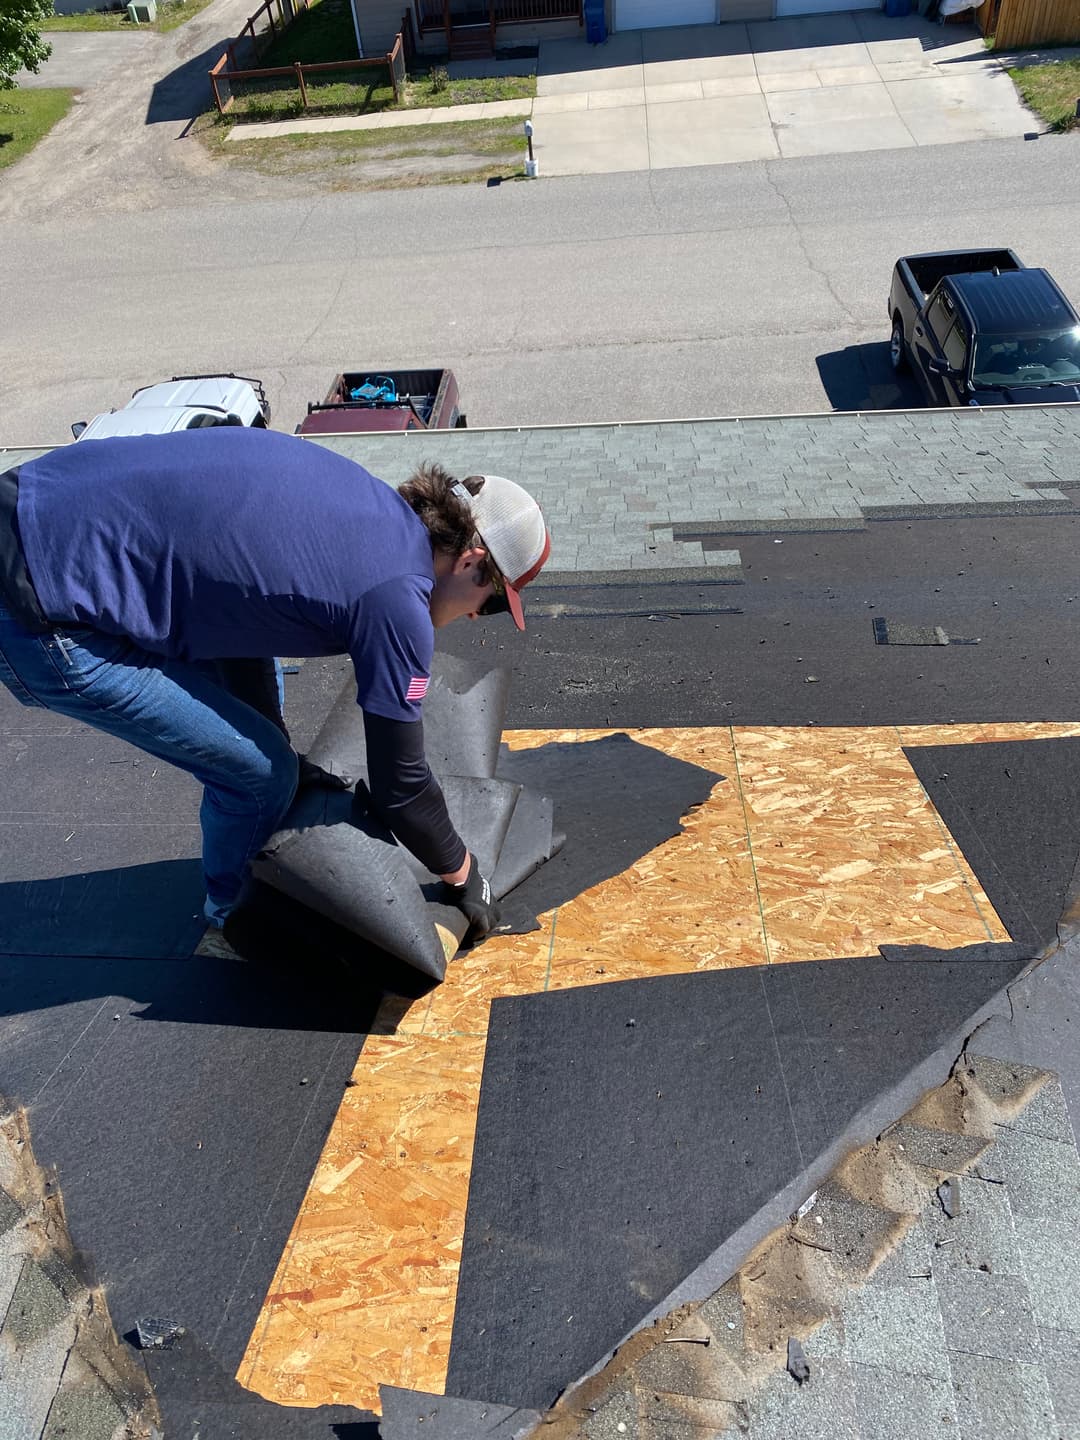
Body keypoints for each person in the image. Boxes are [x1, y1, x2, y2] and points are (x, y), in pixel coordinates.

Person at [0, 428, 550, 941]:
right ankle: (232, 919)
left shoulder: (365, 507)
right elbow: (401, 786)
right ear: (473, 561)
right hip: (39, 608)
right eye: (495, 603)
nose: (479, 617)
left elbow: (246, 608)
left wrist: (273, 737)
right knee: (260, 778)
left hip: (30, 502)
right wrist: (461, 872)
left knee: (270, 750)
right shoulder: (396, 600)